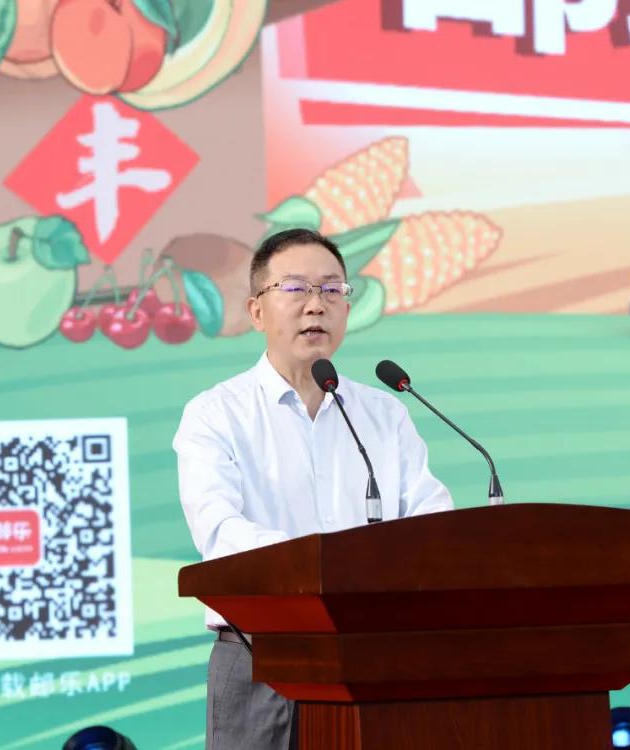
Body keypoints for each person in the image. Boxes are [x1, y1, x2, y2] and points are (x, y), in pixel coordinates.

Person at [173, 228, 454, 750]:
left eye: (331, 289)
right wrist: (323, 566)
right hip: (260, 656)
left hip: (375, 653)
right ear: (257, 311)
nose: (316, 305)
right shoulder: (215, 414)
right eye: (296, 288)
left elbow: (431, 519)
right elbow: (219, 530)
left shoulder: (385, 413)